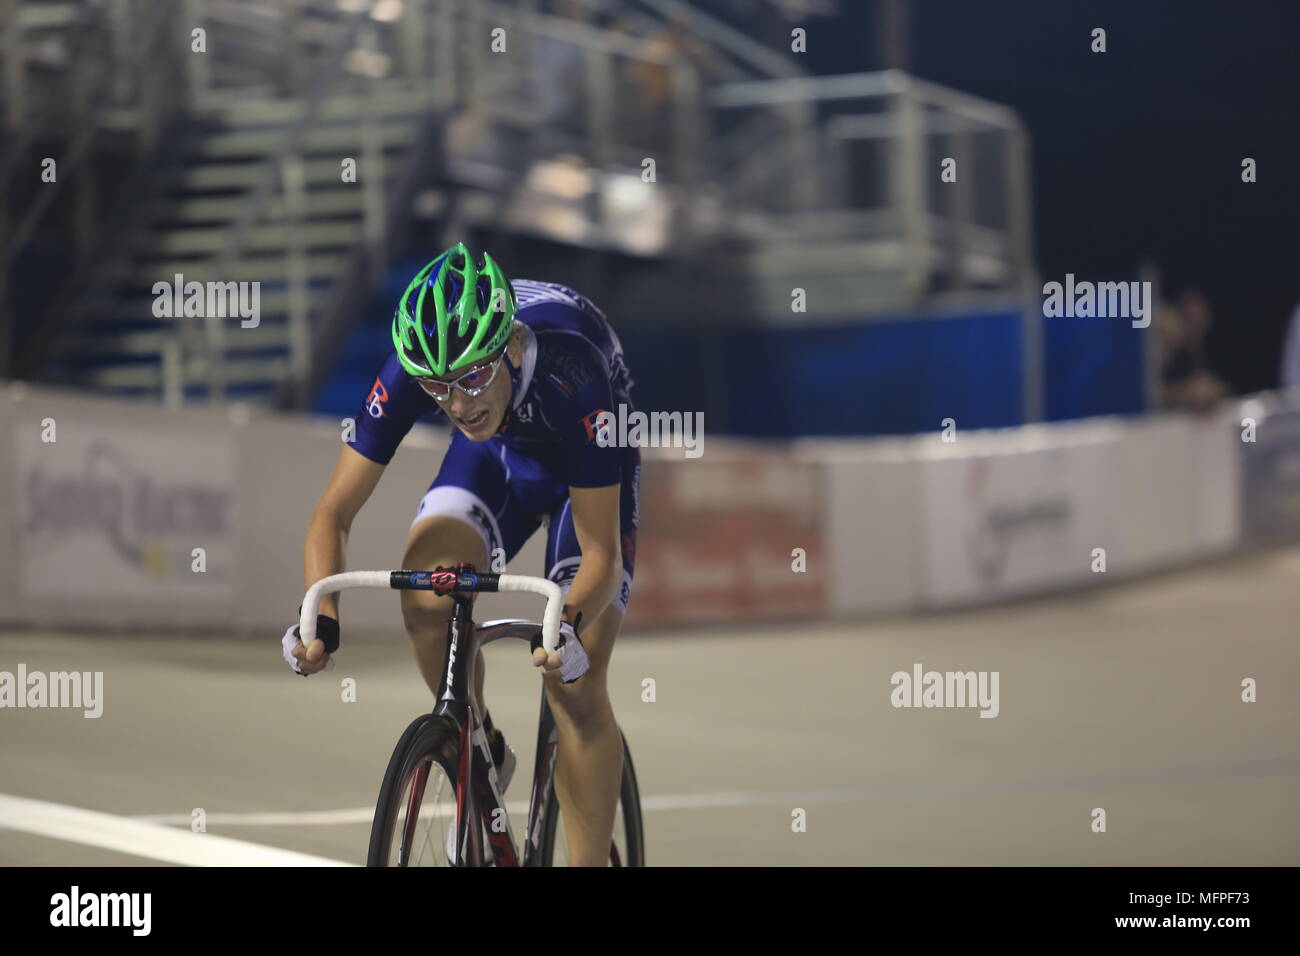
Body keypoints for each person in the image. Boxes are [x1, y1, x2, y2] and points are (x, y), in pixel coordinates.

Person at [285, 242, 639, 866]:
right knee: (425, 595)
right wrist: (323, 621)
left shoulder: (573, 372)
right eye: (437, 387)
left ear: (508, 345)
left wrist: (568, 633)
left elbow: (601, 555)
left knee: (575, 686)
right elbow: (332, 512)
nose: (456, 403)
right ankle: (482, 751)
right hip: (496, 456)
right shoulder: (421, 371)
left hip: (583, 462)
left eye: (473, 375)